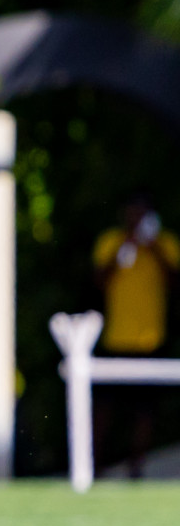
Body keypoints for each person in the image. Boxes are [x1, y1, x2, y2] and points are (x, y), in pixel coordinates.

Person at [93, 193, 179, 477]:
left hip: (150, 338)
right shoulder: (111, 242)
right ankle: (93, 466)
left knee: (144, 411)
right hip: (116, 338)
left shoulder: (165, 244)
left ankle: (136, 469)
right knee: (105, 408)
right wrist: (126, 247)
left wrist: (152, 247)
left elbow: (173, 281)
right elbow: (100, 282)